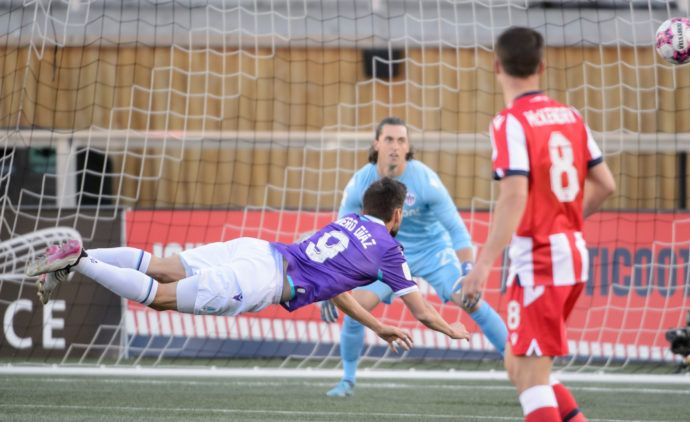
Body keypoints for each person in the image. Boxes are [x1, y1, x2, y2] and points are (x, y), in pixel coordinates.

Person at [26, 177, 470, 353]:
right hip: (262, 279)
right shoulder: (390, 250)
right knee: (160, 299)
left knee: (161, 267)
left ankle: (77, 255)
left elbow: (334, 287)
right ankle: (79, 261)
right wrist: (453, 330)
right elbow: (422, 311)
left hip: (258, 249)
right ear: (396, 216)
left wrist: (375, 326)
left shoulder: (349, 220)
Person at [461, 27, 616, 422]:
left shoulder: (510, 122)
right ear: (541, 67)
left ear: (497, 66)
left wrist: (481, 267)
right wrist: (564, 222)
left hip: (541, 262)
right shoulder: (571, 116)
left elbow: (514, 196)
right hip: (571, 256)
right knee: (520, 367)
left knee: (530, 378)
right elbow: (605, 184)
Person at [322, 116, 508, 397]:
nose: (395, 146)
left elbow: (457, 229)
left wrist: (468, 269)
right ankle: (347, 380)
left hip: (433, 252)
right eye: (389, 140)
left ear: (409, 147)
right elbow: (341, 233)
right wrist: (331, 282)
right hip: (386, 256)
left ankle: (517, 361)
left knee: (471, 301)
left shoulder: (425, 181)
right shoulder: (361, 182)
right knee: (353, 309)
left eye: (401, 140)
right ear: (376, 144)